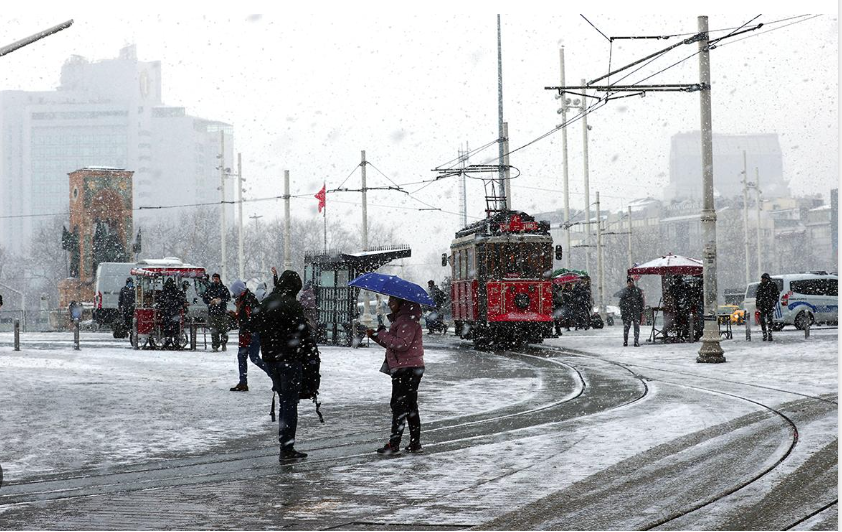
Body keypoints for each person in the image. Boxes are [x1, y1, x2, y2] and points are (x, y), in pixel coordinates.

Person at [255, 270, 317, 462]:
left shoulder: (267, 302)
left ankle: (286, 445)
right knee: (289, 404)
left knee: (284, 399)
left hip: (270, 359)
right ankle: (287, 447)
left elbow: (256, 326)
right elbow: (302, 333)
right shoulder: (292, 304)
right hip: (289, 359)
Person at [365, 295, 425, 455]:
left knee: (399, 405)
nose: (390, 303)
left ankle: (394, 444)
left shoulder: (406, 320)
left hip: (406, 368)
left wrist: (382, 333)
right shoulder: (403, 319)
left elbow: (401, 344)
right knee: (410, 406)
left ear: (402, 303)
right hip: (409, 367)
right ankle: (414, 443)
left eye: (393, 301)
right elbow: (393, 343)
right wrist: (377, 336)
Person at [229, 279, 271, 392]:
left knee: (251, 357)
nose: (234, 295)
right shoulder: (246, 298)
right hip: (249, 332)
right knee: (250, 357)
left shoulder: (247, 299)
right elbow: (248, 317)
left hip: (249, 333)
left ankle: (273, 376)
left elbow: (250, 318)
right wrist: (236, 316)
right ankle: (243, 382)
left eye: (235, 292)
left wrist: (243, 324)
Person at [202, 273, 231, 352]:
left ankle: (224, 343)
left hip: (222, 312)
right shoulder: (209, 288)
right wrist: (210, 301)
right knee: (214, 331)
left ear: (219, 279)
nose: (215, 280)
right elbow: (204, 299)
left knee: (224, 330)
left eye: (216, 279)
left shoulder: (223, 288)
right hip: (212, 313)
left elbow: (228, 297)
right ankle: (215, 345)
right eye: (214, 278)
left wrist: (221, 300)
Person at [158, 277, 187, 348]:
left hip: (166, 311)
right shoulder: (176, 291)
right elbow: (180, 300)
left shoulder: (164, 292)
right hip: (175, 311)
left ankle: (168, 339)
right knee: (176, 326)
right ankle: (176, 340)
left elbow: (161, 301)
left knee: (167, 326)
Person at [618, 277, 645, 347]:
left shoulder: (637, 291)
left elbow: (641, 301)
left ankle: (636, 341)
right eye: (629, 282)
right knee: (627, 327)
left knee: (636, 327)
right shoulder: (624, 291)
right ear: (627, 283)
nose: (630, 284)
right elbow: (621, 303)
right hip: (627, 312)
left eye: (631, 282)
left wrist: (641, 310)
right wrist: (623, 310)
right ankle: (625, 341)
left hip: (635, 311)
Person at [756, 272, 781, 341]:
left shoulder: (772, 285)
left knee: (770, 320)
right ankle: (764, 334)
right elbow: (758, 296)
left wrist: (773, 302)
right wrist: (758, 305)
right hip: (762, 306)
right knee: (762, 321)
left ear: (766, 279)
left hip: (769, 305)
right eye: (762, 279)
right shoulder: (760, 286)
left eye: (763, 279)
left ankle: (770, 334)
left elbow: (776, 294)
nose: (762, 280)